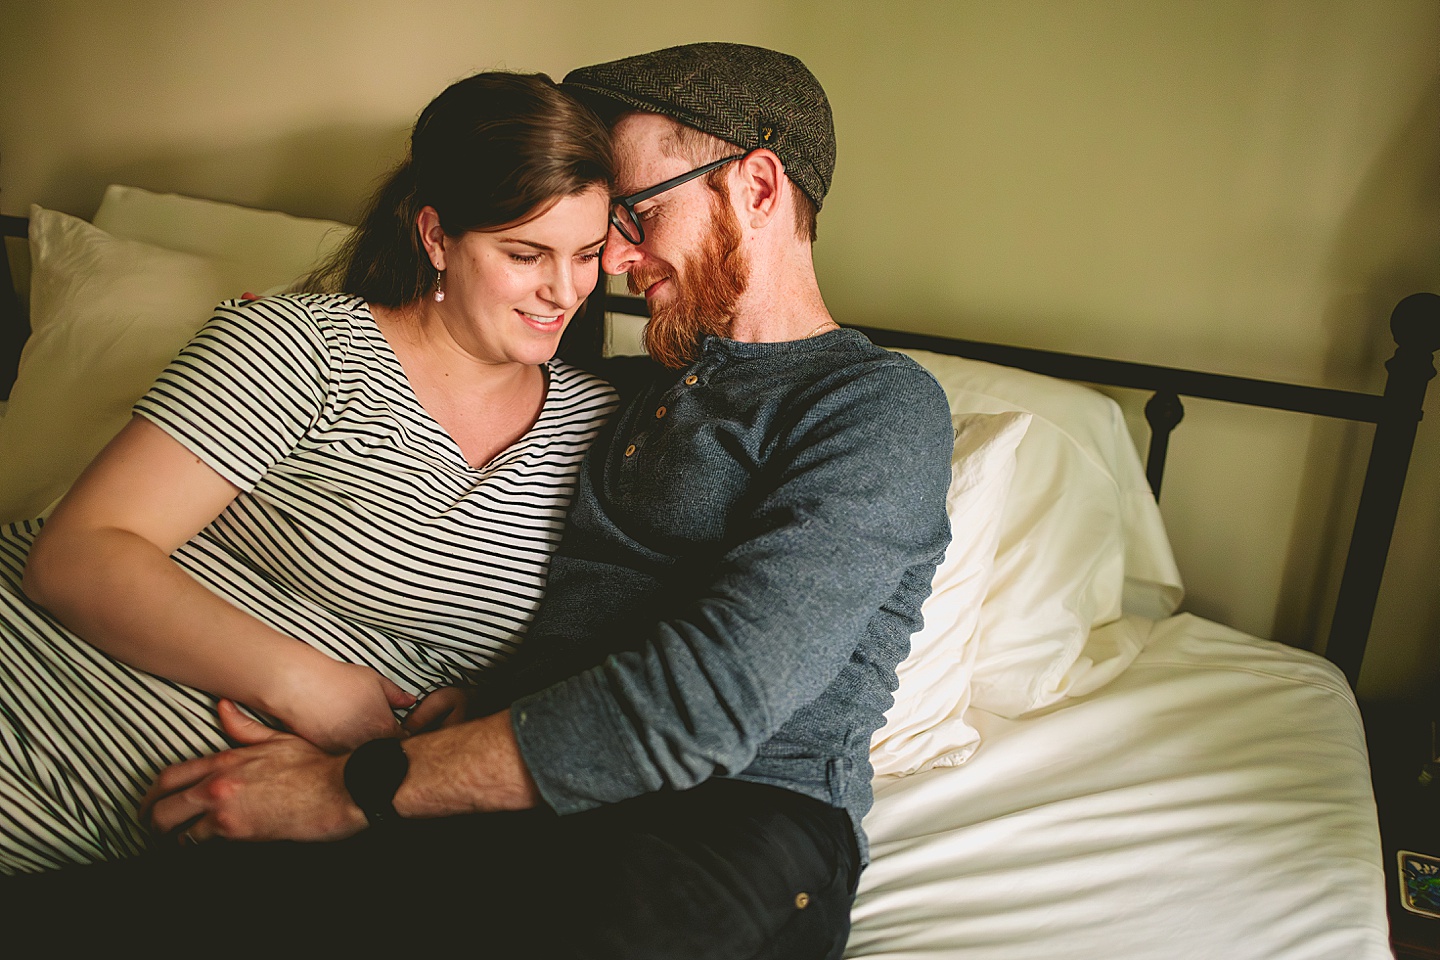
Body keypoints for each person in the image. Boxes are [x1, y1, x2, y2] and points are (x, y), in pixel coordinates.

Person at [4, 43, 953, 960]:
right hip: (506, 800)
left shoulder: (870, 403)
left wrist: (355, 786)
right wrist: (480, 709)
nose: (607, 268)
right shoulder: (633, 396)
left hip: (727, 820)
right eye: (578, 237)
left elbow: (708, 700)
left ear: (755, 186)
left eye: (631, 219)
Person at [0, 71, 618, 874]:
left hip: (197, 837)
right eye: (524, 254)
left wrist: (486, 713)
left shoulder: (608, 430)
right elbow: (77, 554)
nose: (563, 291)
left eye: (589, 254)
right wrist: (308, 687)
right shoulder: (304, 348)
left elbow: (618, 646)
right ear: (436, 237)